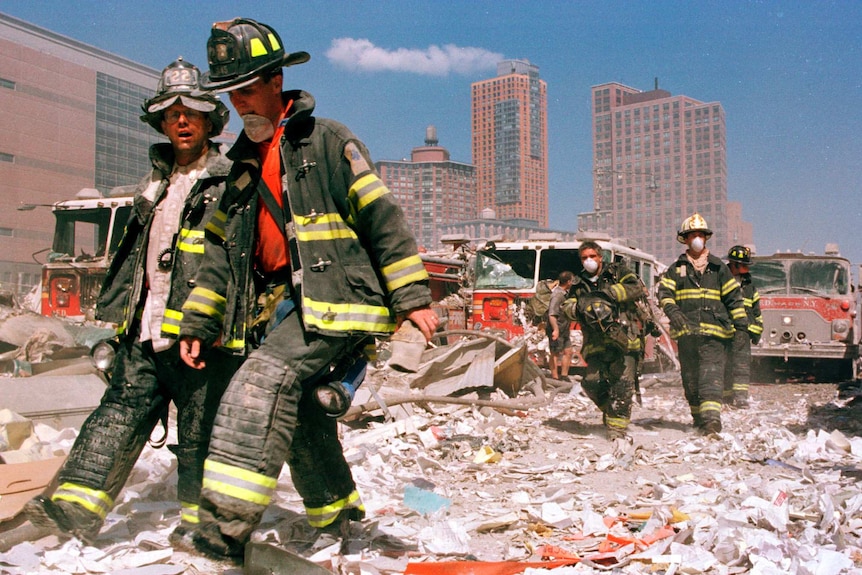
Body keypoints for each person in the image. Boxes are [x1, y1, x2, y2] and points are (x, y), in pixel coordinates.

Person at [176, 18, 439, 560]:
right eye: (232, 92)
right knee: (296, 415)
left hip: (339, 300)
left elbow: (382, 217)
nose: (240, 101)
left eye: (248, 88)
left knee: (259, 387)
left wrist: (412, 298)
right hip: (277, 309)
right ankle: (339, 518)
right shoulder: (239, 170)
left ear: (277, 83)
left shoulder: (328, 141)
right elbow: (219, 255)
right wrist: (198, 323)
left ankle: (220, 533)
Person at [24, 58, 238, 546]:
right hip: (145, 330)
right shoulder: (153, 184)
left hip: (199, 334)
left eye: (191, 113)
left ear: (209, 121)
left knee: (200, 433)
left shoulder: (227, 183)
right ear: (161, 123)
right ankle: (70, 513)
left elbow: (231, 262)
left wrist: (208, 325)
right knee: (115, 417)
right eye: (170, 114)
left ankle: (200, 528)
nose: (181, 121)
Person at [657, 214, 748, 435]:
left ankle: (711, 421)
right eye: (692, 235)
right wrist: (673, 311)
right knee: (690, 380)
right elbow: (664, 293)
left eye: (700, 235)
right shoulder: (676, 269)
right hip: (687, 335)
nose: (696, 239)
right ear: (685, 240)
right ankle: (698, 418)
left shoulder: (718, 268)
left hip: (714, 335)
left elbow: (733, 298)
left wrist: (742, 326)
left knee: (711, 377)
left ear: (705, 238)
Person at [563, 242, 650, 440]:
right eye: (584, 258)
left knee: (622, 385)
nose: (589, 261)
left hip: (624, 339)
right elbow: (567, 307)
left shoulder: (618, 272)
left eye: (592, 256)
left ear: (601, 257)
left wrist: (607, 296)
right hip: (595, 342)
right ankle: (610, 411)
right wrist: (581, 307)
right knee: (591, 382)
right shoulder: (578, 282)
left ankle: (616, 431)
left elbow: (636, 288)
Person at [723, 245, 763, 408]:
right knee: (724, 364)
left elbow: (756, 312)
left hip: (743, 333)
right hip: (723, 331)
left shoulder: (750, 287)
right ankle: (725, 396)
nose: (746, 268)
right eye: (743, 264)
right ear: (733, 264)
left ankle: (740, 397)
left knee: (741, 365)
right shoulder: (720, 281)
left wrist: (756, 331)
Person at [546, 271, 574, 380]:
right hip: (556, 328)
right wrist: (555, 330)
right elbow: (552, 314)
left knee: (568, 351)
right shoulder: (557, 295)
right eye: (572, 280)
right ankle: (555, 377)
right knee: (555, 353)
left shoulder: (565, 294)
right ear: (568, 282)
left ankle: (564, 376)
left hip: (564, 328)